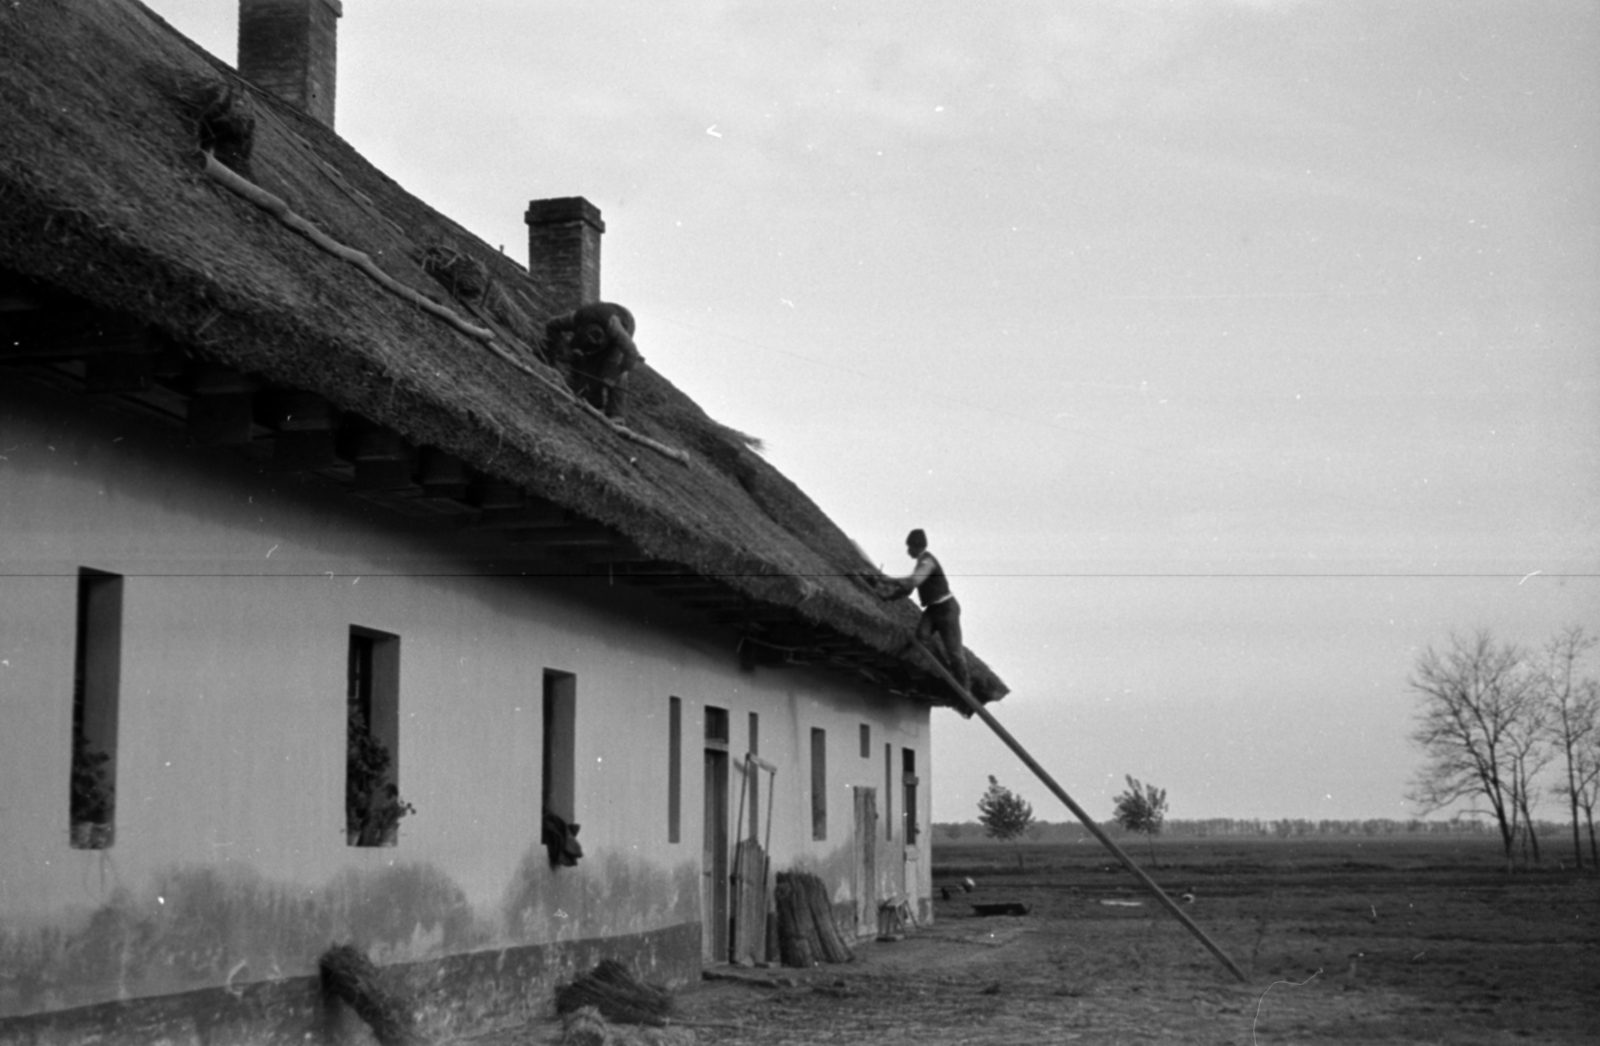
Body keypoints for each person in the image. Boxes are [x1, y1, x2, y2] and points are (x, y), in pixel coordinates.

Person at [876, 528, 971, 694]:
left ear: (916, 546)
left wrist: (888, 580)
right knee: (921, 637)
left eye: (909, 547)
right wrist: (888, 597)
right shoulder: (921, 563)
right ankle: (943, 668)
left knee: (955, 652)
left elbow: (913, 581)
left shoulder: (928, 562)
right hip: (933, 609)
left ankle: (965, 689)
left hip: (947, 609)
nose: (907, 551)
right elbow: (908, 590)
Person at [543, 302, 641, 420]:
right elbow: (551, 325)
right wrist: (553, 351)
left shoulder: (615, 330)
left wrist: (615, 374)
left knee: (609, 372)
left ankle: (617, 414)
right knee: (583, 360)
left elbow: (632, 353)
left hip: (625, 321)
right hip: (596, 321)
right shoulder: (576, 319)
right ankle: (590, 398)